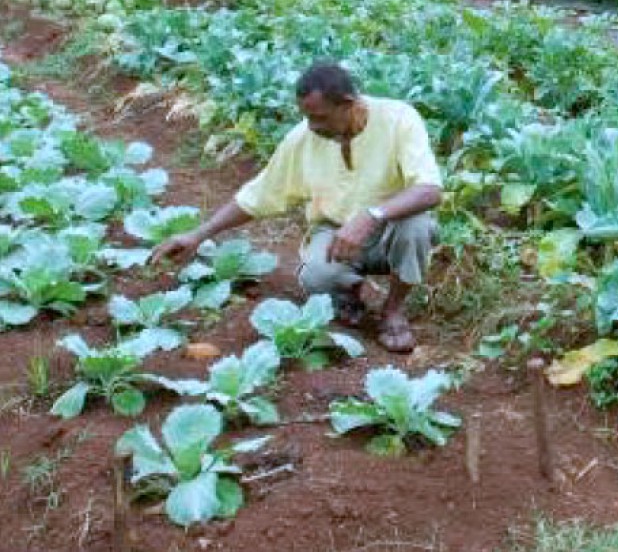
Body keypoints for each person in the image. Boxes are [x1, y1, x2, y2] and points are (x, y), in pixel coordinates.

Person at [151, 61, 443, 353]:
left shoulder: (398, 119)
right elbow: (259, 194)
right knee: (315, 275)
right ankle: (349, 293)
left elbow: (429, 190)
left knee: (417, 225)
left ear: (348, 104)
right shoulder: (303, 137)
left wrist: (372, 214)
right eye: (306, 116)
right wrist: (198, 235)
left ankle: (393, 310)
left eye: (320, 117)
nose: (313, 126)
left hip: (390, 229)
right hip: (336, 234)